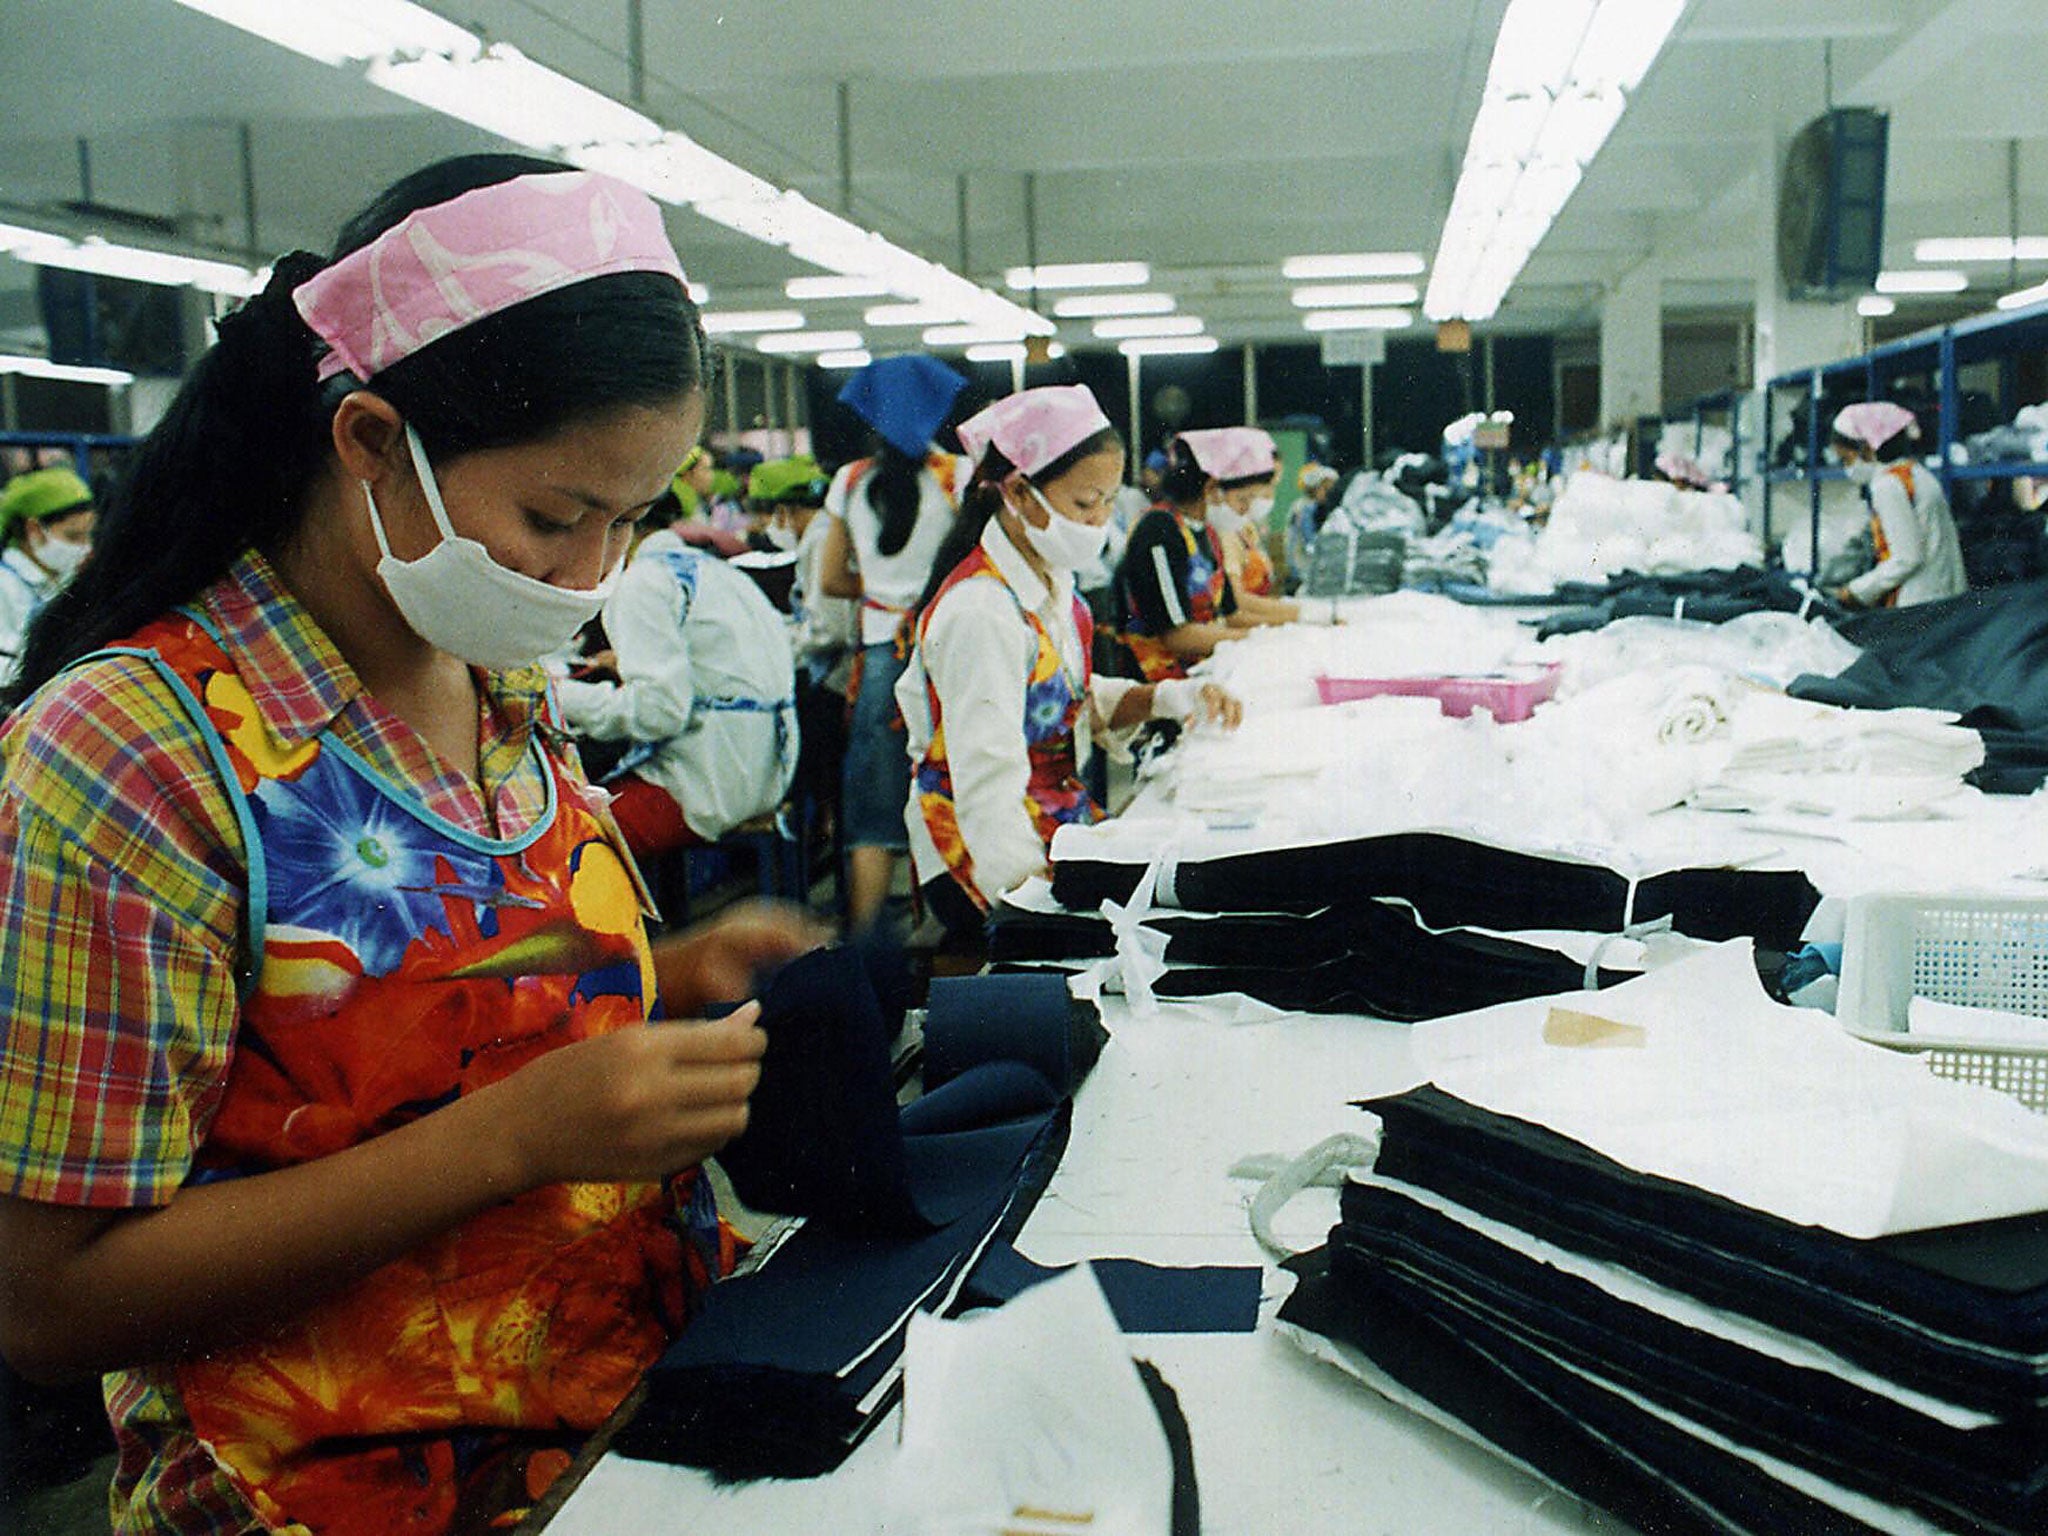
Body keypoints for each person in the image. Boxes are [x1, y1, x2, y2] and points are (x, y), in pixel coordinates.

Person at [0, 155, 821, 1536]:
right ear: (372, 442)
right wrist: (514, 1138)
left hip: (623, 1442)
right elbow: (46, 1301)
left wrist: (659, 981)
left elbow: (408, 1005)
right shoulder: (132, 755)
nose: (588, 578)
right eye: (559, 518)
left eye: (629, 524)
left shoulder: (487, 672)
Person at [899, 385, 1239, 932]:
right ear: (1018, 492)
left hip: (1051, 812)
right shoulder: (982, 611)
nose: (1100, 520)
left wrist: (1167, 698)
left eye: (1108, 500)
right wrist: (1030, 909)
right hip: (982, 848)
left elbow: (1062, 696)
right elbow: (986, 786)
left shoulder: (1050, 581)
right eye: (1085, 503)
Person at [557, 484, 799, 859]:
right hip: (767, 773)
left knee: (557, 839)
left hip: (707, 786)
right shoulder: (719, 573)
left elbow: (658, 713)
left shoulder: (643, 581)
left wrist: (556, 693)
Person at [819, 353, 970, 929]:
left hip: (882, 656)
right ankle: (960, 929)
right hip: (945, 652)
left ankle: (864, 945)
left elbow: (832, 579)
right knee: (961, 785)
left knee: (873, 809)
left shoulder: (850, 480)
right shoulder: (958, 475)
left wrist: (883, 594)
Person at [1114, 427, 1302, 681]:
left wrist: (1288, 629)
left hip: (1199, 673)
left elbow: (1231, 614)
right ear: (1213, 488)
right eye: (1243, 500)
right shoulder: (1159, 530)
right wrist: (1257, 641)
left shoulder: (1208, 532)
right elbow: (1177, 635)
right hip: (1156, 680)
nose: (1245, 512)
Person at [1829, 401, 1966, 609]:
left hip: (1920, 601)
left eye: (1846, 460)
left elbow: (1906, 558)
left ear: (1867, 449)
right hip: (1946, 593)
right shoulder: (1915, 473)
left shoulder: (1887, 486)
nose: (1847, 469)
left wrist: (1856, 590)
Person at [0, 466, 95, 675]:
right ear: (34, 529)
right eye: (73, 537)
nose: (85, 547)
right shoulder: (4, 586)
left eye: (88, 536)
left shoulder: (67, 579)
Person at [1286, 461, 1341, 590]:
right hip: (1301, 573)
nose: (1329, 493)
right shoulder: (1305, 509)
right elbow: (1310, 542)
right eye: (1326, 488)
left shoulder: (1311, 507)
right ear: (1315, 488)